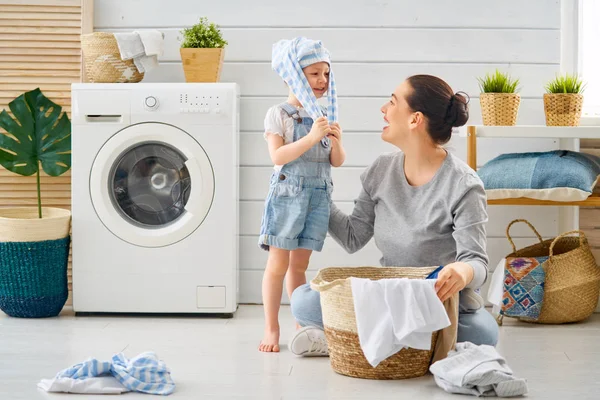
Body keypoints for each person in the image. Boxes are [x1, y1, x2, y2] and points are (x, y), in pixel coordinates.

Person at [287, 74, 499, 357]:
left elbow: (477, 263)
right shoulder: (381, 170)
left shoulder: (464, 185)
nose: (383, 109)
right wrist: (314, 194)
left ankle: (350, 339)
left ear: (415, 119)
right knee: (303, 301)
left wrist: (463, 271)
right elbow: (353, 237)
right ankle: (402, 341)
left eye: (392, 102)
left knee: (482, 332)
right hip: (388, 296)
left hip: (437, 304)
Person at [258, 37, 346, 352]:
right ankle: (271, 328)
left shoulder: (324, 116)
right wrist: (312, 137)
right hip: (287, 197)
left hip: (316, 198)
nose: (322, 80)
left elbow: (336, 161)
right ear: (293, 76)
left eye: (326, 73)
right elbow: (278, 156)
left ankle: (300, 322)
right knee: (278, 265)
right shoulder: (278, 114)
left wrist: (334, 139)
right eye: (314, 74)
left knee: (299, 267)